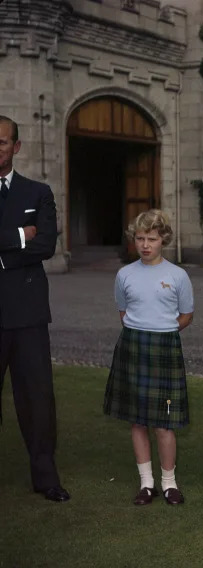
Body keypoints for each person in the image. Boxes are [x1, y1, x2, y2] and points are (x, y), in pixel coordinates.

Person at [0, 115, 70, 502]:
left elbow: (46, 245)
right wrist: (17, 237)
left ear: (16, 147)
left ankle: (46, 478)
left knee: (38, 400)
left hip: (27, 314)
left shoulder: (38, 192)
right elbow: (29, 242)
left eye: (2, 142)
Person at [103, 209, 194, 506]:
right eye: (140, 238)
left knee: (164, 422)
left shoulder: (178, 275)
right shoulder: (124, 274)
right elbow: (123, 311)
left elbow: (186, 315)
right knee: (137, 420)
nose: (145, 245)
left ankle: (169, 484)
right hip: (133, 346)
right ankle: (147, 484)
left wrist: (163, 330)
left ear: (163, 239)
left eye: (151, 239)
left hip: (164, 348)